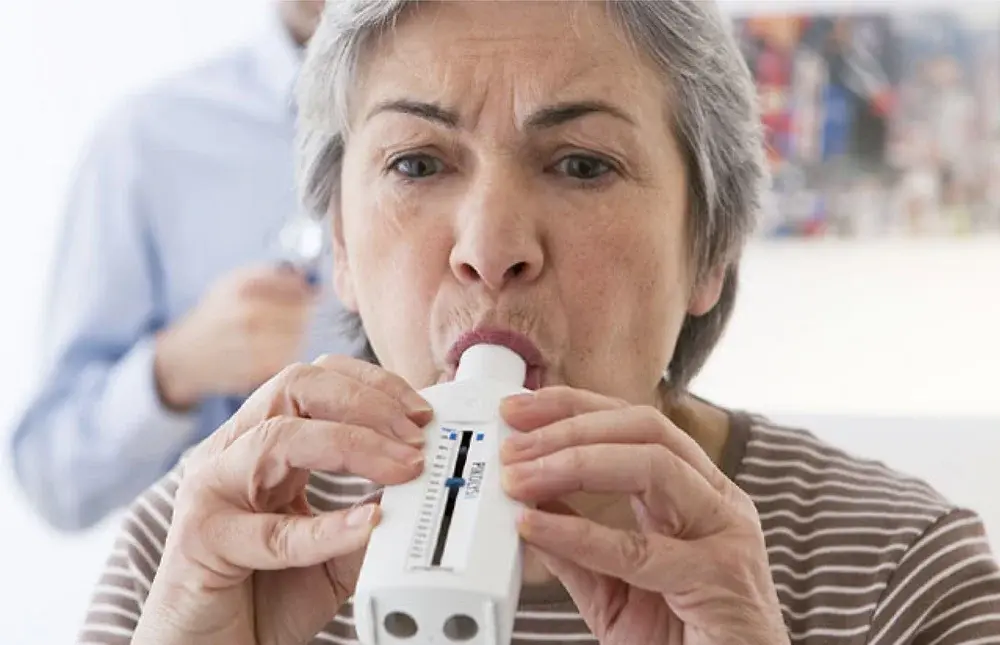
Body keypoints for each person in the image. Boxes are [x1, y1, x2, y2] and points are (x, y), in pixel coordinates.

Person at [77, 1, 1000, 644]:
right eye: (416, 163)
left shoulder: (899, 573)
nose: (491, 249)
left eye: (583, 164)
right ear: (343, 247)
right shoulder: (207, 553)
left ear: (709, 250)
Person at [5, 0, 370, 533]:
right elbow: (53, 477)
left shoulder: (488, 103)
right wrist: (172, 371)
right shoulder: (146, 142)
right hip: (244, 572)